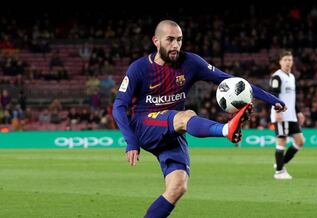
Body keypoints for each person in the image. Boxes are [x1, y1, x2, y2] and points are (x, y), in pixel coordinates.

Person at [112, 20, 287, 218]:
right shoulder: (139, 68)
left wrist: (271, 99)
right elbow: (118, 107)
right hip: (145, 125)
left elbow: (230, 80)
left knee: (177, 187)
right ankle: (225, 130)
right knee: (187, 116)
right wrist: (131, 141)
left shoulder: (190, 62)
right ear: (156, 41)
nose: (176, 45)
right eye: (170, 40)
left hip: (172, 131)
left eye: (179, 40)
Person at [269, 50, 305, 180]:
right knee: (282, 140)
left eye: (290, 60)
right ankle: (279, 172)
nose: (288, 62)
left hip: (291, 116)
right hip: (281, 115)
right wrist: (277, 112)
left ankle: (280, 163)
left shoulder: (292, 77)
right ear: (280, 62)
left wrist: (298, 111)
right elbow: (274, 95)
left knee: (300, 141)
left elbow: (291, 98)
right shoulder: (277, 76)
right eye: (285, 60)